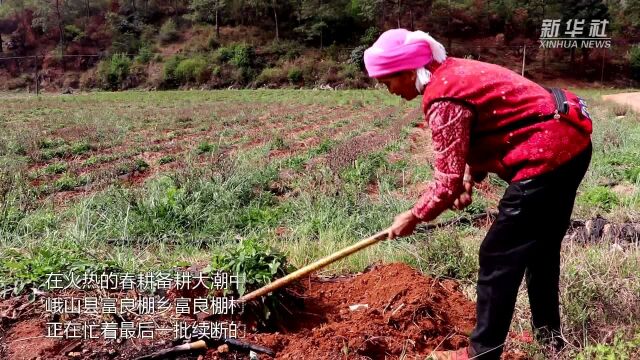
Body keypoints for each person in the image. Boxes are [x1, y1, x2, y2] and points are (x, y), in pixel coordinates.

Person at [364, 29, 593, 360]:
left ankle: (482, 353)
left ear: (407, 70)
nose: (389, 90)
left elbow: (445, 182)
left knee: (498, 255)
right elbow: (496, 121)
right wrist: (470, 176)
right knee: (540, 249)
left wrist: (415, 215)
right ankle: (550, 340)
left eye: (387, 82)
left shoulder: (442, 98)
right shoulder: (454, 71)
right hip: (570, 145)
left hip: (545, 159)